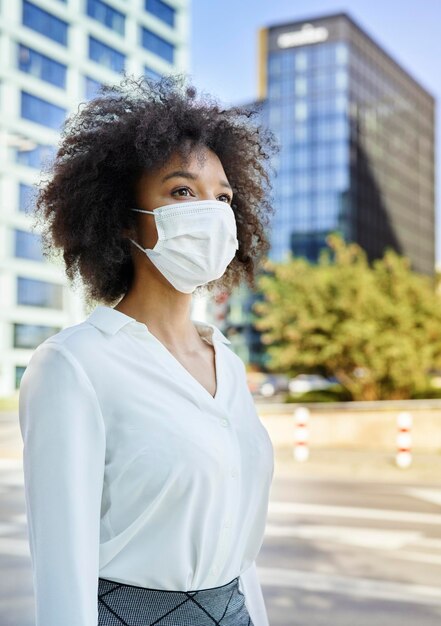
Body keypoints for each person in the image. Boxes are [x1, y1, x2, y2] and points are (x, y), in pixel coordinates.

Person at [18, 73, 279, 626]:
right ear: (121, 215)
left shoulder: (226, 362)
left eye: (224, 197)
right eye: (183, 191)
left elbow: (239, 550)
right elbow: (62, 574)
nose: (211, 212)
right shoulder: (74, 366)